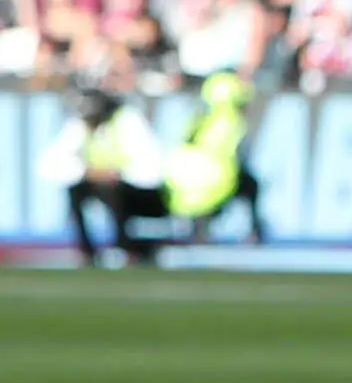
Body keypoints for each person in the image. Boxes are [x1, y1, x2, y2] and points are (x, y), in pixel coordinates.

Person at [60, 86, 170, 266]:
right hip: (105, 185)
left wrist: (116, 174)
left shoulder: (128, 120)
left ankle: (125, 248)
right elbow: (54, 163)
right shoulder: (81, 125)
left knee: (112, 191)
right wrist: (89, 172)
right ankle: (87, 253)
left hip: (138, 193)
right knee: (76, 190)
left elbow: (150, 168)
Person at [164, 71, 265, 243]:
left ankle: (197, 229)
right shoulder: (233, 123)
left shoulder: (199, 119)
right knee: (250, 184)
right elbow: (235, 159)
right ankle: (254, 231)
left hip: (185, 185)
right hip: (216, 184)